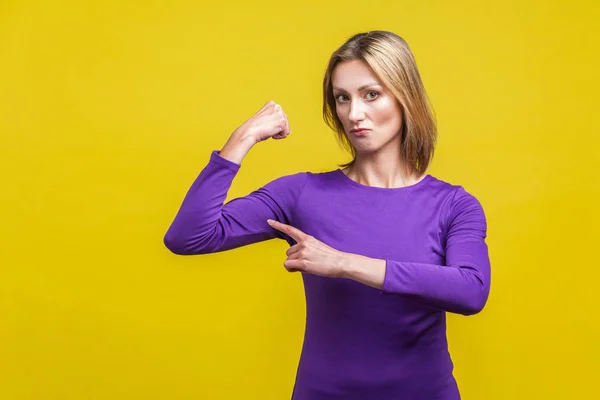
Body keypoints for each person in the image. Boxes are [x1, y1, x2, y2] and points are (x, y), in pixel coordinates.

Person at [163, 30, 491, 400]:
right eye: (342, 98)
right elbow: (188, 237)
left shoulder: (453, 204)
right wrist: (241, 140)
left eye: (371, 94)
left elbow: (470, 291)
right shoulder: (303, 193)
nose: (354, 113)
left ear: (405, 97)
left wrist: (343, 263)